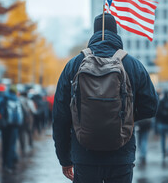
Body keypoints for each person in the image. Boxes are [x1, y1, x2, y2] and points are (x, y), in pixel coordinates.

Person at [53, 13, 158, 183]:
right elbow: (151, 106)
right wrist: (123, 116)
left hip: (84, 155)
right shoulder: (132, 64)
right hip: (121, 154)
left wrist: (64, 159)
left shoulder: (74, 64)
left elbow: (60, 115)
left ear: (94, 32)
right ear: (116, 32)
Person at [0, 85, 23, 173]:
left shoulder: (4, 98)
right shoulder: (17, 99)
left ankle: (4, 164)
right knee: (12, 145)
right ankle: (9, 165)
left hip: (5, 125)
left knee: (5, 144)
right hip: (15, 126)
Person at [18, 89, 36, 154]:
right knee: (29, 131)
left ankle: (22, 147)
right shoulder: (29, 101)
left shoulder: (18, 100)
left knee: (21, 133)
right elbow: (33, 110)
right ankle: (30, 144)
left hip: (20, 119)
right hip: (28, 118)